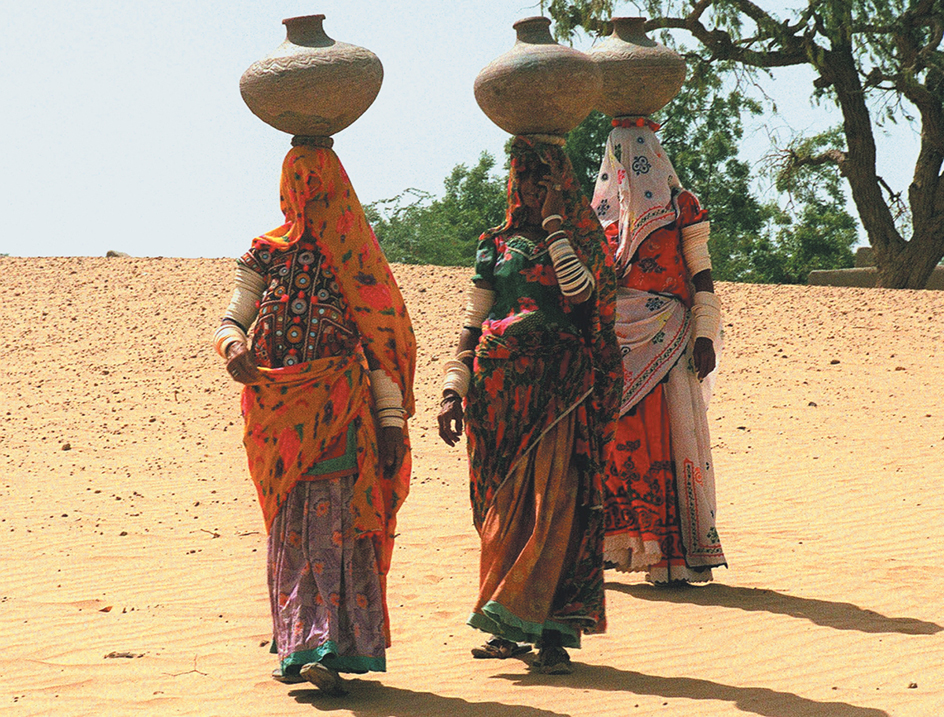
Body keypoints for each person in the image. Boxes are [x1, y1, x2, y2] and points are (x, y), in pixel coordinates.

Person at [213, 138, 416, 695]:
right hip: (277, 413)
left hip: (342, 411)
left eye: (318, 179)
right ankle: (298, 642)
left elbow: (378, 345)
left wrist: (392, 422)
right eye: (300, 178)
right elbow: (233, 317)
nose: (308, 190)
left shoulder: (354, 255)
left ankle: (334, 643)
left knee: (337, 521)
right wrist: (234, 348)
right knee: (291, 524)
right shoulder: (264, 253)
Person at [438, 136, 621, 674]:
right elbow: (472, 323)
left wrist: (555, 228)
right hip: (497, 397)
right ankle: (507, 627)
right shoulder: (493, 244)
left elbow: (583, 296)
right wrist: (454, 388)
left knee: (555, 502)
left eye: (544, 176)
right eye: (524, 175)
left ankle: (553, 635)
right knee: (499, 510)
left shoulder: (581, 237)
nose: (532, 186)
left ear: (563, 180)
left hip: (559, 391)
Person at [591, 118, 726, 584]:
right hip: (613, 347)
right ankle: (619, 547)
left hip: (668, 339)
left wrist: (705, 333)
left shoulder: (683, 208)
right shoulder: (599, 219)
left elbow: (702, 274)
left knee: (668, 440)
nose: (632, 160)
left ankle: (671, 556)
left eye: (640, 147)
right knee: (617, 445)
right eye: (621, 151)